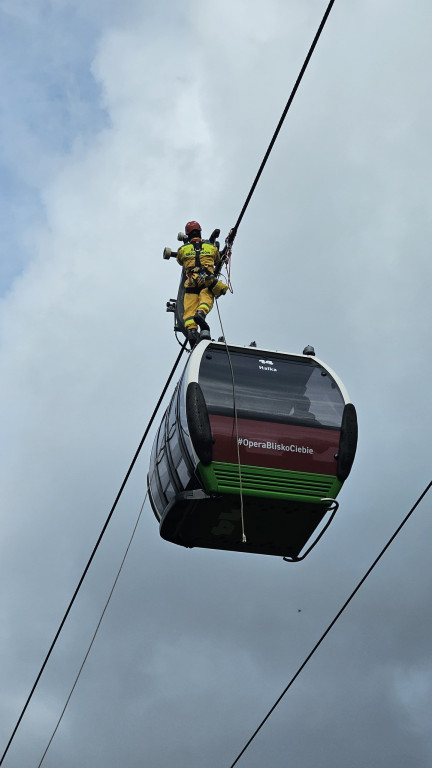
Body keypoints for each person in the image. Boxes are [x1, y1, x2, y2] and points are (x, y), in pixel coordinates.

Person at [176, 220, 228, 348]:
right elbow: (217, 259)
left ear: (188, 235)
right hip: (206, 279)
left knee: (188, 309)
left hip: (191, 281)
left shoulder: (183, 249)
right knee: (206, 298)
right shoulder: (210, 247)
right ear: (199, 232)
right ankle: (201, 313)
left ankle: (192, 330)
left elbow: (180, 260)